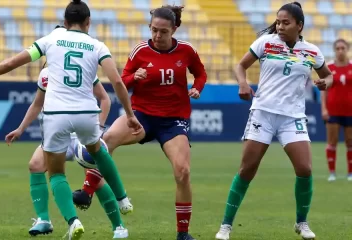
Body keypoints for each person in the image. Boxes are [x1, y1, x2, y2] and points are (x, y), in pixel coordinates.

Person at [0, 1, 142, 239]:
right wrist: (130, 115)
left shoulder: (51, 40)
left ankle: (73, 222)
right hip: (87, 115)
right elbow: (118, 83)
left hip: (57, 116)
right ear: (88, 23)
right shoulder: (97, 45)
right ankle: (122, 199)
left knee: (56, 174)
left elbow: (13, 61)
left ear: (65, 23)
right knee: (98, 152)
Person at [74, 5, 207, 240]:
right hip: (141, 115)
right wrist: (134, 77)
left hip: (173, 121)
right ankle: (87, 191)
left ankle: (183, 233)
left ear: (174, 29)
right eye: (154, 30)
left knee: (183, 171)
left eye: (163, 31)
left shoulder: (187, 51)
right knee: (106, 140)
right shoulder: (139, 51)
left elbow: (200, 73)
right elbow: (122, 80)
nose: (157, 35)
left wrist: (197, 87)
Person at [214, 2, 332, 240]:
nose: (279, 26)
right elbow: (240, 65)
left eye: (285, 22)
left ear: (299, 25)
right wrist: (243, 83)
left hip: (293, 117)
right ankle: (225, 226)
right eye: (278, 21)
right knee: (247, 169)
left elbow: (327, 75)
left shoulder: (311, 51)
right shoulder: (265, 43)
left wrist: (325, 83)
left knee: (305, 169)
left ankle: (302, 223)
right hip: (263, 113)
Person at [5, 67, 129, 238]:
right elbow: (37, 104)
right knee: (35, 165)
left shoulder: (81, 67)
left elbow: (104, 98)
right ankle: (44, 220)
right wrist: (20, 129)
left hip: (80, 136)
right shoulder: (45, 74)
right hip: (57, 135)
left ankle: (119, 227)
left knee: (95, 180)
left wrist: (98, 129)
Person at [321, 39, 352, 182]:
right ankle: (332, 173)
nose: (340, 51)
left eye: (343, 48)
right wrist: (324, 108)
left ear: (347, 49)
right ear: (334, 50)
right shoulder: (329, 68)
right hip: (333, 110)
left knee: (350, 142)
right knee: (332, 142)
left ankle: (350, 173)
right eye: (338, 48)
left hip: (350, 111)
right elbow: (324, 90)